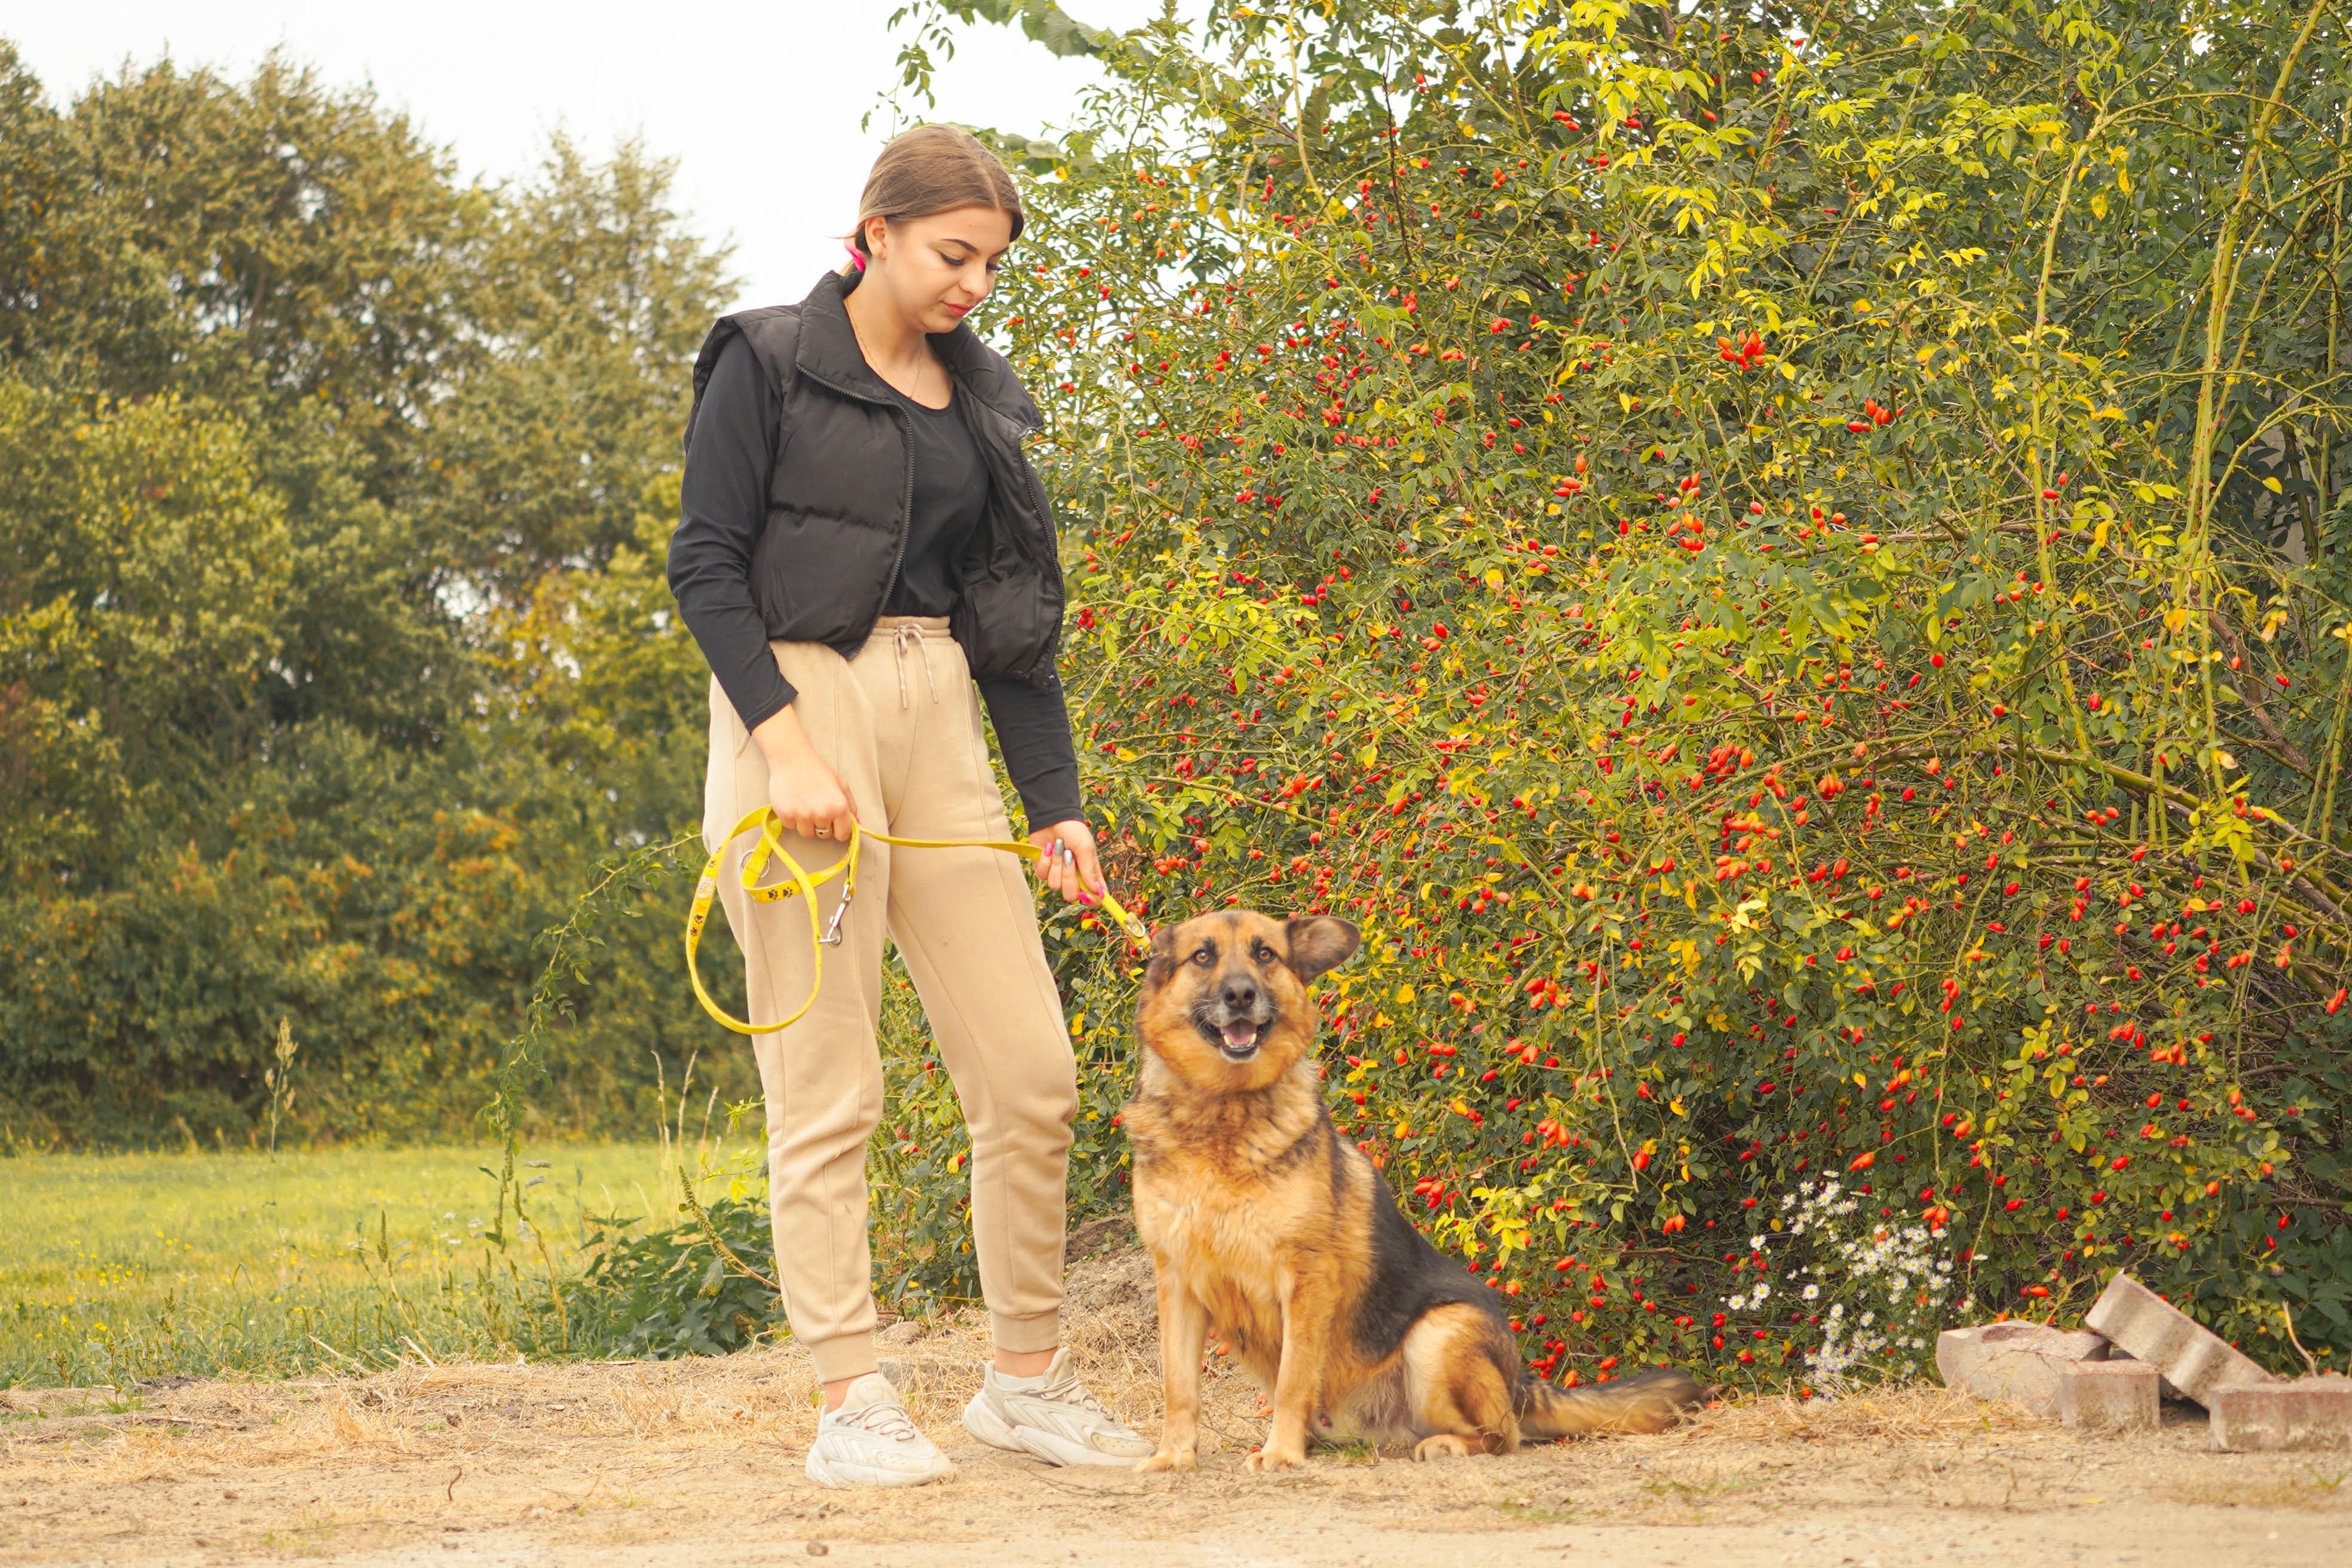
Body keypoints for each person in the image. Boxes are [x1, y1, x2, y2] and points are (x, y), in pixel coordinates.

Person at [666, 124, 1151, 1488]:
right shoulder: (762, 361)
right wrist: (786, 749)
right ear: (872, 231)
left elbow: (1015, 627)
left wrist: (1054, 805)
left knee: (1032, 1069)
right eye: (955, 254)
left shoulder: (981, 406)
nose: (974, 286)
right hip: (796, 699)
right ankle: (851, 1398)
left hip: (938, 699)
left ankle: (1026, 1381)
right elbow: (703, 565)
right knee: (830, 1083)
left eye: (991, 264)